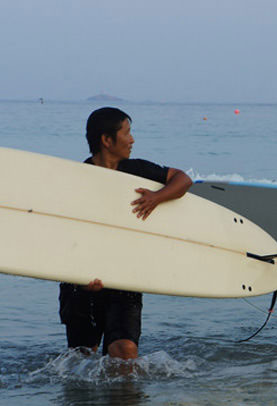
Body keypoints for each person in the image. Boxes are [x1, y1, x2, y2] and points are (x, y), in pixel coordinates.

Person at [58, 107, 192, 359]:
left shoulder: (136, 170)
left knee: (125, 351)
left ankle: (125, 397)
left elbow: (183, 179)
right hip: (82, 281)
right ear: (107, 140)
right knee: (82, 357)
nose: (132, 140)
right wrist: (80, 277)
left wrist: (156, 198)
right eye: (127, 133)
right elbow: (64, 234)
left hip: (124, 273)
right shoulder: (76, 180)